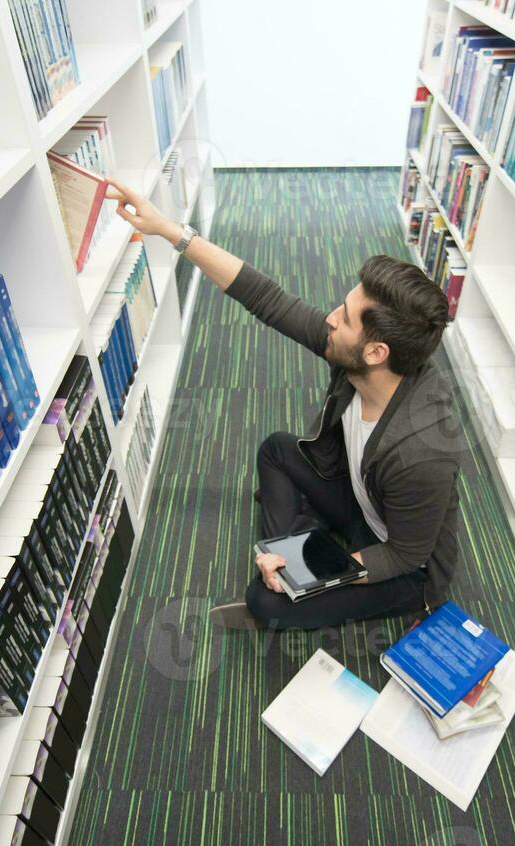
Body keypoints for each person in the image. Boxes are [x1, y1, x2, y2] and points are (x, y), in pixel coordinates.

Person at [106, 178, 462, 630]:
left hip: (404, 568)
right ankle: (286, 552)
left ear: (376, 352)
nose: (330, 318)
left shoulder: (423, 452)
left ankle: (289, 564)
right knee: (276, 448)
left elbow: (404, 554)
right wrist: (170, 230)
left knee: (266, 603)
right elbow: (268, 299)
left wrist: (312, 573)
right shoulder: (361, 356)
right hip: (360, 499)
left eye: (345, 318)